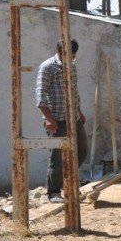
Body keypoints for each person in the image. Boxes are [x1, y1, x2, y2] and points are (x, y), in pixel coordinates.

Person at [35, 39, 88, 203]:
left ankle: (68, 181)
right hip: (57, 119)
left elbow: (74, 91)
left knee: (82, 150)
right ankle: (53, 192)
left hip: (73, 117)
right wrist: (49, 119)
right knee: (57, 157)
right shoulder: (47, 67)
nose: (73, 58)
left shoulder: (72, 65)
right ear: (61, 52)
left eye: (74, 55)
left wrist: (79, 111)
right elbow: (40, 95)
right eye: (71, 55)